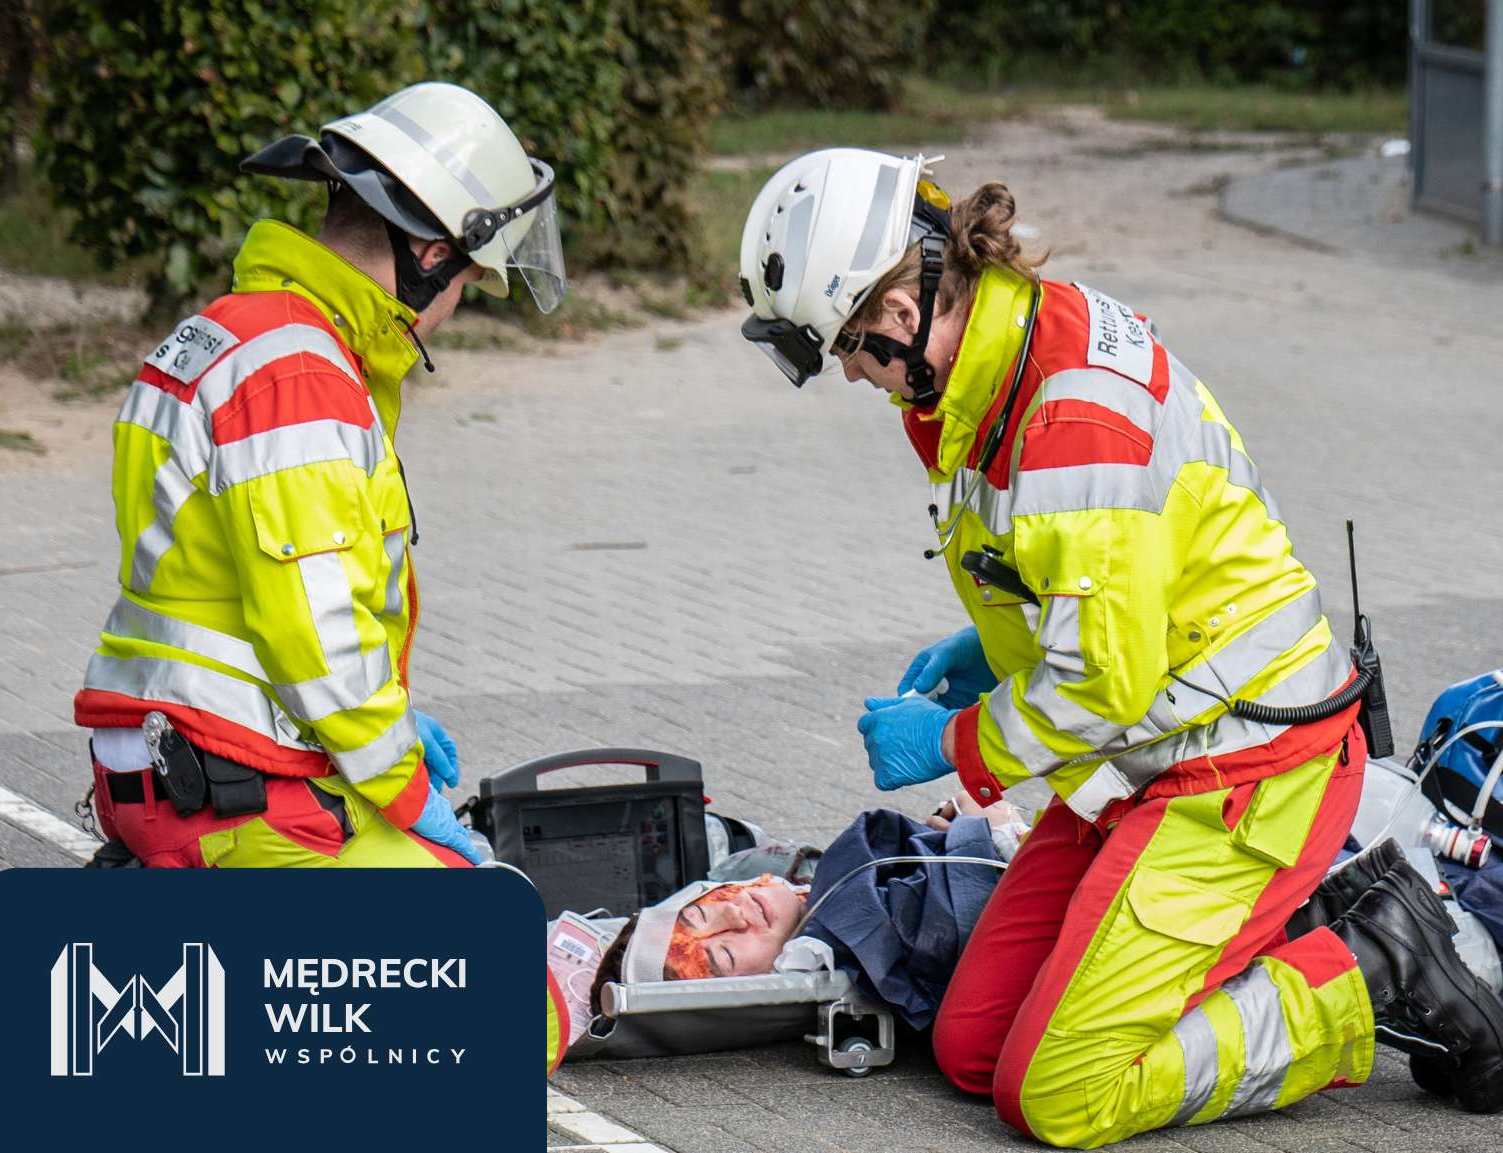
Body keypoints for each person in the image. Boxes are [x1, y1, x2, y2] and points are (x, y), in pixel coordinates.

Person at [736, 149, 1503, 1147]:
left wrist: (953, 744)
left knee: (1059, 1091)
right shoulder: (995, 358)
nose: (850, 371)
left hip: (1241, 769)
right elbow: (1087, 576)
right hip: (1141, 762)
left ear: (898, 304)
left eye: (846, 345)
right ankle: (1233, 944)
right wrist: (996, 644)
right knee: (973, 1047)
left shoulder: (1066, 412)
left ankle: (1363, 968)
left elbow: (1105, 682)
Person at [73, 82, 565, 869]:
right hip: (235, 785)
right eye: (469, 283)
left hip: (183, 758)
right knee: (498, 958)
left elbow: (240, 590)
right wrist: (404, 786)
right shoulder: (298, 375)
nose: (455, 308)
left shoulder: (235, 330)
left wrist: (389, 728)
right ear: (432, 256)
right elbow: (316, 631)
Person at [545, 792, 1030, 1072]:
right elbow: (953, 918)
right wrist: (993, 834)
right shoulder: (864, 929)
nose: (734, 918)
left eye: (701, 915)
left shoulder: (766, 871)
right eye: (727, 957)